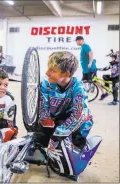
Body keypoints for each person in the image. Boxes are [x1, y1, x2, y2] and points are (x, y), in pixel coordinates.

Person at [38, 51, 94, 179]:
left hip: (72, 121)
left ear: (66, 74)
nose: (47, 73)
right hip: (56, 118)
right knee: (41, 135)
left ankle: (78, 153)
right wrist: (46, 123)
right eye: (48, 68)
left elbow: (78, 114)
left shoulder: (78, 87)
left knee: (84, 117)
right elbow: (43, 108)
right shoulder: (45, 84)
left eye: (52, 70)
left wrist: (59, 133)